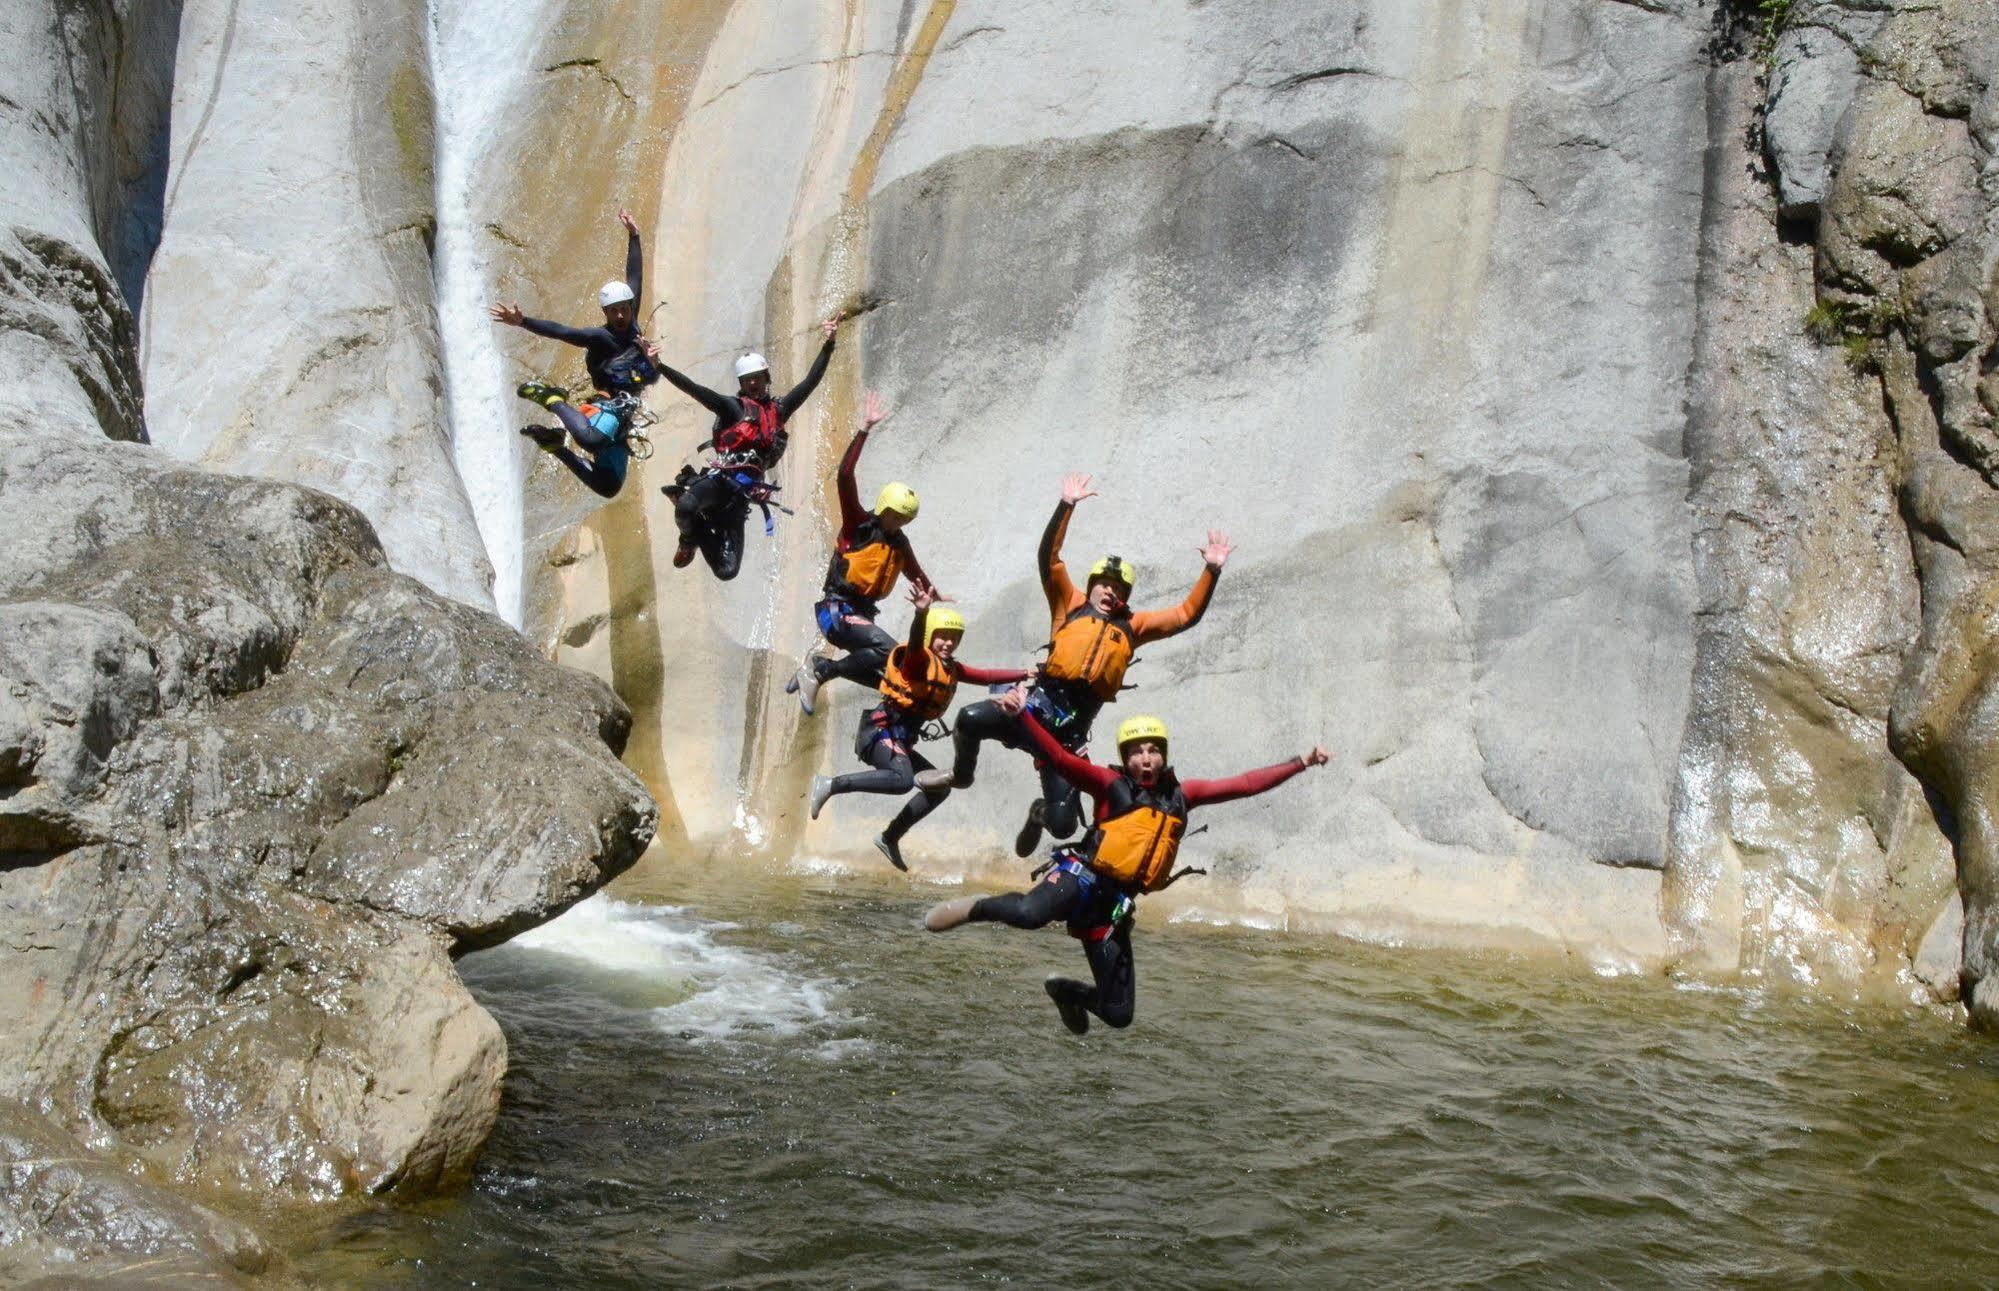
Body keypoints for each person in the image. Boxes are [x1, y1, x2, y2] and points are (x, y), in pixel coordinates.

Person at [925, 713, 1329, 1034]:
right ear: (1126, 756)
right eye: (1137, 751)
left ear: (1164, 756)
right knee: (1031, 915)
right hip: (1080, 878)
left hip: (1113, 907)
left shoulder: (1182, 797)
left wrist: (1301, 763)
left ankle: (1065, 992)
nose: (1146, 758)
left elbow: (1243, 785)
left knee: (1118, 1014)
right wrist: (1022, 721)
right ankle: (973, 908)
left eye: (1154, 750)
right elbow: (1062, 760)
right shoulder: (1110, 785)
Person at [919, 473, 1232, 858]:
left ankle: (1038, 815)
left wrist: (1212, 571)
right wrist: (1066, 506)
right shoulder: (1069, 602)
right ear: (1093, 584)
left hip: (1065, 737)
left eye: (1118, 589)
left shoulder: (1134, 627)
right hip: (1030, 710)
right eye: (1104, 584)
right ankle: (961, 776)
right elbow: (1049, 558)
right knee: (968, 718)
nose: (1110, 591)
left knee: (1064, 824)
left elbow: (1185, 615)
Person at [805, 587, 1030, 870]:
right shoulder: (918, 661)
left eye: (954, 638)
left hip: (901, 741)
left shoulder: (951, 669)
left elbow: (986, 677)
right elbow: (913, 642)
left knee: (940, 790)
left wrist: (1026, 673)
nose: (948, 643)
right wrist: (921, 613)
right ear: (931, 637)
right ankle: (830, 785)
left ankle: (890, 837)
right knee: (902, 780)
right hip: (878, 733)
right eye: (942, 637)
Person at [653, 315, 842, 580]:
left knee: (727, 571)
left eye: (757, 378)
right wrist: (659, 366)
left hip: (739, 498)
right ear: (741, 385)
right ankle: (689, 538)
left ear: (767, 378)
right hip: (719, 483)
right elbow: (695, 390)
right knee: (685, 508)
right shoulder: (733, 408)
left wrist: (829, 343)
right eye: (747, 380)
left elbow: (809, 383)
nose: (753, 384)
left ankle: (698, 525)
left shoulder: (779, 410)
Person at [786, 390, 939, 715]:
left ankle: (897, 735)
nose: (899, 522)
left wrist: (934, 595)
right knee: (888, 649)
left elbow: (916, 574)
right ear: (883, 508)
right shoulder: (859, 525)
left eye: (905, 518)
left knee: (887, 679)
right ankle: (819, 671)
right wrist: (864, 429)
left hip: (861, 616)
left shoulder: (900, 544)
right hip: (835, 611)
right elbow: (844, 477)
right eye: (895, 515)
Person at [488, 209, 657, 498]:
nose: (620, 315)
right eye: (613, 311)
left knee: (609, 486)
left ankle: (555, 444)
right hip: (608, 407)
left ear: (630, 308)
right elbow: (561, 331)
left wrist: (634, 235)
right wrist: (523, 321)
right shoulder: (599, 337)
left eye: (624, 309)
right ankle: (552, 398)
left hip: (623, 414)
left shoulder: (635, 329)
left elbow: (635, 276)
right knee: (590, 440)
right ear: (605, 312)